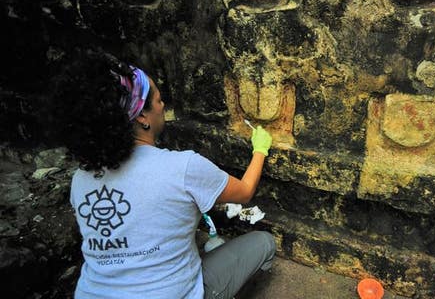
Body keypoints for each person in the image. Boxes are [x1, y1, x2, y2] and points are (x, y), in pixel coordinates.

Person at [51, 51, 275, 299]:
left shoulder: (81, 180)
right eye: (158, 100)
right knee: (263, 243)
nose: (163, 105)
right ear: (143, 117)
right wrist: (260, 149)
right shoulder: (183, 168)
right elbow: (244, 191)